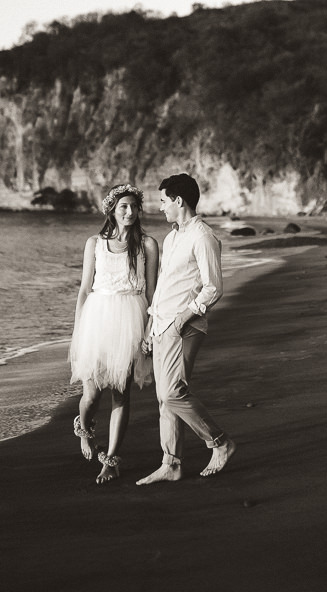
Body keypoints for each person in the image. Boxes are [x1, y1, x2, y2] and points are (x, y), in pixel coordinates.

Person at [137, 173, 236, 485]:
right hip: (162, 324)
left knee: (172, 392)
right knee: (164, 400)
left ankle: (220, 442)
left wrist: (184, 317)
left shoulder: (203, 237)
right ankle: (172, 463)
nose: (161, 208)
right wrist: (151, 323)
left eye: (164, 201)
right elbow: (167, 286)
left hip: (185, 326)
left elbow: (213, 287)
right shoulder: (172, 237)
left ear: (179, 201)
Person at [70, 183, 159, 483]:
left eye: (134, 207)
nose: (130, 212)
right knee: (91, 394)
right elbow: (84, 289)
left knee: (121, 394)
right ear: (111, 209)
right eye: (124, 206)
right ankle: (84, 428)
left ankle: (110, 460)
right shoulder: (94, 243)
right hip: (96, 319)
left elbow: (152, 292)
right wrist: (79, 328)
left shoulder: (147, 245)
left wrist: (149, 330)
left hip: (130, 320)